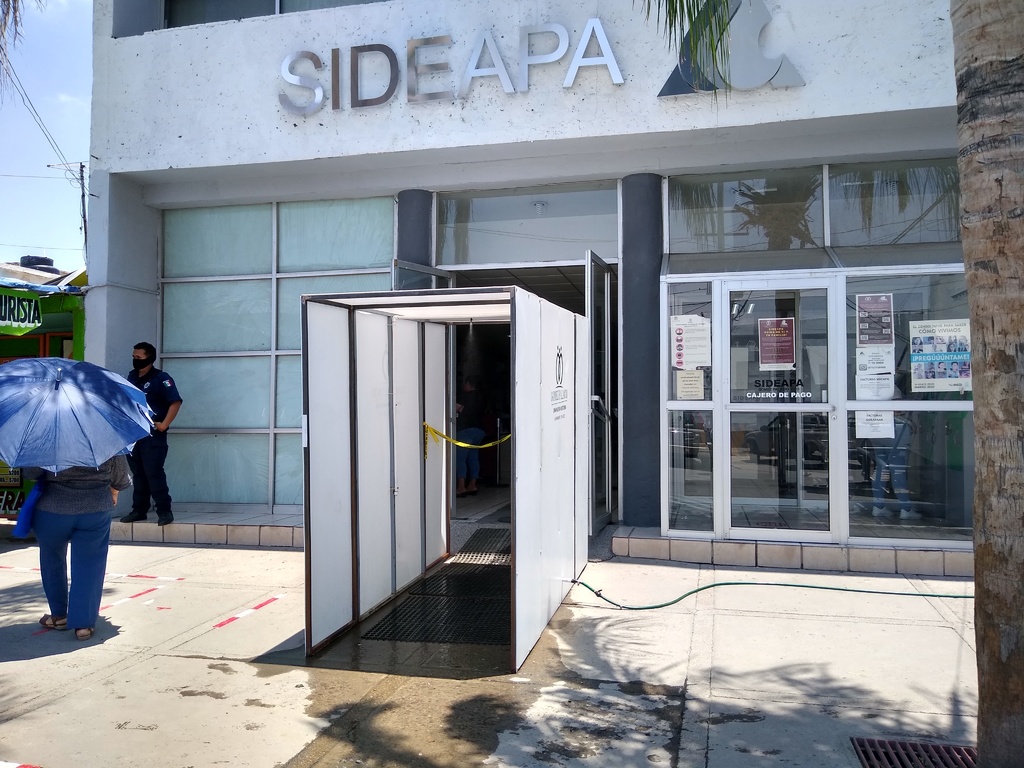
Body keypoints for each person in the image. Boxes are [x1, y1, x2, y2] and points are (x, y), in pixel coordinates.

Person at [27, 456, 133, 641]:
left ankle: (59, 616)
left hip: (52, 508)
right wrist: (114, 490)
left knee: (52, 560)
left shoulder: (45, 438)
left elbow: (31, 472)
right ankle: (83, 625)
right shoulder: (106, 437)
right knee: (90, 565)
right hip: (95, 507)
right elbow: (121, 475)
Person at [120, 342, 183, 526]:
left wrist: (164, 424)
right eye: (134, 357)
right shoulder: (131, 377)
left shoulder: (161, 378)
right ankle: (139, 510)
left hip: (153, 435)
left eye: (139, 357)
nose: (135, 360)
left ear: (150, 358)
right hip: (134, 434)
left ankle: (164, 511)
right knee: (138, 473)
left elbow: (175, 402)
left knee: (153, 472)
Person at [454, 374, 485, 498]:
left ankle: (461, 487)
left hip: (465, 430)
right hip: (479, 431)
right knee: (473, 458)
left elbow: (455, 408)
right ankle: (473, 485)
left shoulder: (465, 396)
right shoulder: (482, 397)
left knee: (460, 458)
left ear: (468, 384)